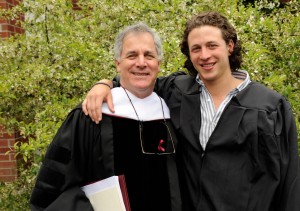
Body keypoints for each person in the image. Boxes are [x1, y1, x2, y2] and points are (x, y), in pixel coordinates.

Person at [82, 11, 299, 211]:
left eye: (212, 45)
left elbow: (289, 183)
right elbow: (139, 79)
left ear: (230, 46)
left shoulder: (270, 107)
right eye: (196, 48)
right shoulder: (178, 91)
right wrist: (105, 84)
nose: (204, 55)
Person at [30, 22, 182, 211]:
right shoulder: (91, 115)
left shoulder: (173, 112)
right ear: (118, 64)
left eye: (149, 55)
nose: (141, 63)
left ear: (158, 65)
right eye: (132, 55)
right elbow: (54, 189)